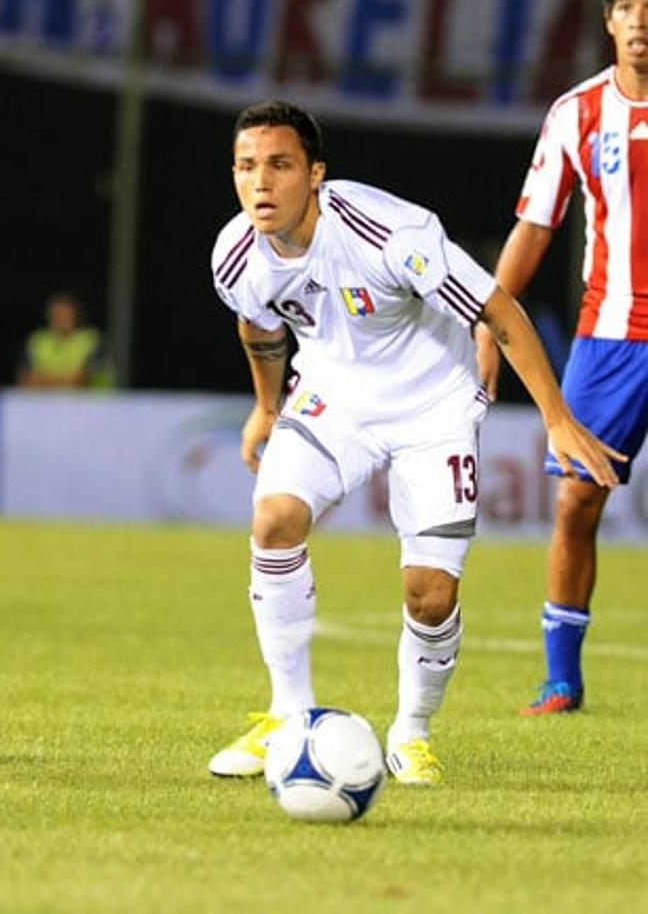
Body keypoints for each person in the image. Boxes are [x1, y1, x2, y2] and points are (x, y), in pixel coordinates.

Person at [204, 100, 619, 787]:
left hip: (434, 406)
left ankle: (412, 730)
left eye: (279, 164)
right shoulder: (235, 253)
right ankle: (288, 713)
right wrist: (265, 406)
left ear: (316, 174)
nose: (261, 182)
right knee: (274, 518)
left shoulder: (391, 233)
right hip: (334, 397)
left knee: (430, 593)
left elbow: (499, 311)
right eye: (247, 166)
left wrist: (557, 416)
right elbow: (259, 323)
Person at [477, 0, 648, 717]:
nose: (642, 24)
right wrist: (491, 316)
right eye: (628, 8)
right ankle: (560, 678)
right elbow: (535, 227)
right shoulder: (576, 113)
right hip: (611, 336)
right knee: (577, 502)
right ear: (609, 20)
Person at [17, 290, 108, 389]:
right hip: (46, 402)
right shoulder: (37, 340)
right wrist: (65, 379)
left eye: (67, 315)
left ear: (77, 315)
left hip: (90, 403)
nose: (62, 320)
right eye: (58, 315)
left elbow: (82, 378)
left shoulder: (92, 339)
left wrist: (44, 379)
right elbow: (25, 378)